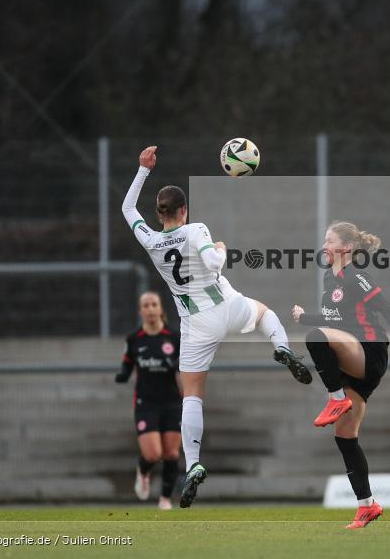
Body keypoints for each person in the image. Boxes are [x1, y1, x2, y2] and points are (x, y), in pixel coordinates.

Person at [122, 146, 313, 509]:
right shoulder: (196, 229)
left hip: (195, 322)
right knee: (264, 313)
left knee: (192, 394)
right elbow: (213, 260)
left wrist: (142, 170)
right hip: (225, 304)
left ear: (160, 214)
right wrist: (221, 249)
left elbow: (128, 210)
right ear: (183, 211)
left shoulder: (150, 239)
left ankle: (193, 464)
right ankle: (283, 347)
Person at [292, 221, 390, 529]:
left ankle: (335, 398)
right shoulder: (328, 279)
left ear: (346, 248)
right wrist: (303, 316)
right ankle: (367, 506)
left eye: (329, 240)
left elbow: (387, 309)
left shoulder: (356, 276)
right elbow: (333, 318)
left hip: (369, 351)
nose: (324, 246)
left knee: (317, 337)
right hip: (351, 360)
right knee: (345, 437)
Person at [115, 291, 182, 510]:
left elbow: (188, 365)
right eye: (146, 305)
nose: (151, 309)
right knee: (153, 454)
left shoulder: (174, 337)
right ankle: (143, 472)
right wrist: (123, 375)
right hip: (146, 403)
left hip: (172, 401)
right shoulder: (134, 339)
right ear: (141, 311)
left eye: (154, 304)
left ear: (161, 309)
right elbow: (127, 363)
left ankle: (165, 499)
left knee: (171, 453)